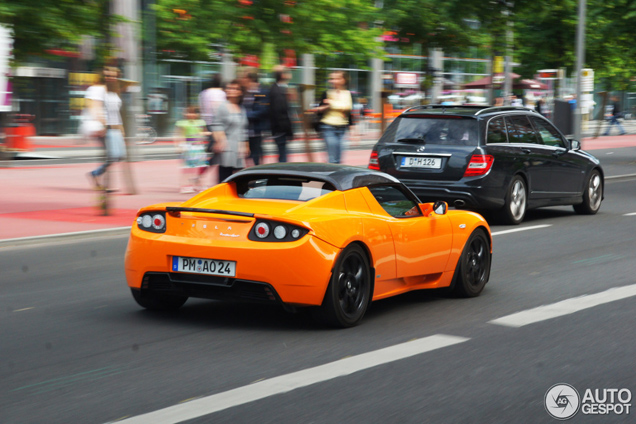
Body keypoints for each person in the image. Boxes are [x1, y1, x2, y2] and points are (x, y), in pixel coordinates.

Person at [88, 66, 126, 191]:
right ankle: (97, 176)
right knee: (113, 155)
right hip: (107, 128)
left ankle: (96, 175)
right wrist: (103, 125)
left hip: (116, 128)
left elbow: (116, 112)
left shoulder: (114, 91)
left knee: (120, 156)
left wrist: (121, 129)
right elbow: (96, 109)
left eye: (114, 75)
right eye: (108, 75)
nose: (111, 78)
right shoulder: (100, 91)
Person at [211, 80, 249, 182]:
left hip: (238, 147)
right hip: (227, 146)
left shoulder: (242, 108)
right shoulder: (222, 107)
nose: (232, 91)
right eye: (230, 88)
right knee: (225, 176)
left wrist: (246, 145)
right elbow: (216, 125)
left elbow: (243, 128)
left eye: (236, 89)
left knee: (238, 177)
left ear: (240, 92)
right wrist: (220, 140)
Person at [315, 71, 353, 164]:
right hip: (328, 127)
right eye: (332, 79)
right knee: (332, 159)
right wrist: (325, 107)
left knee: (339, 159)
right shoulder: (327, 93)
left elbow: (348, 109)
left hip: (342, 128)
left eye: (337, 78)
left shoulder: (348, 94)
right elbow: (318, 110)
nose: (333, 81)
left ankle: (335, 177)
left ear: (343, 80)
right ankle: (330, 177)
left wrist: (332, 103)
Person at [197, 74, 226, 183]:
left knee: (217, 153)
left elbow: (201, 109)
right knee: (218, 152)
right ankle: (202, 175)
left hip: (207, 124)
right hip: (217, 125)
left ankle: (203, 175)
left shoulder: (203, 93)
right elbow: (217, 108)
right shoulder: (221, 93)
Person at [175, 106, 209, 193]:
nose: (191, 115)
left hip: (199, 147)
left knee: (200, 166)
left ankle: (199, 184)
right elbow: (179, 134)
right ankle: (185, 185)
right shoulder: (182, 123)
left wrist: (204, 134)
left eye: (194, 112)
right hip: (188, 146)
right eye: (189, 112)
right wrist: (179, 145)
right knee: (187, 168)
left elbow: (205, 131)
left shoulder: (201, 122)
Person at [242, 72, 269, 166]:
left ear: (250, 79)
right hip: (245, 130)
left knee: (256, 155)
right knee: (247, 155)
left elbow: (262, 111)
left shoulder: (261, 92)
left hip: (256, 130)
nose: (242, 80)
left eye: (244, 78)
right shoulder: (244, 92)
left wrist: (243, 115)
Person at [268, 65, 293, 163]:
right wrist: (288, 131)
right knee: (283, 155)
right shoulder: (277, 91)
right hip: (280, 129)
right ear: (283, 75)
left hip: (280, 129)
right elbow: (280, 112)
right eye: (288, 72)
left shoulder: (279, 89)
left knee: (282, 154)